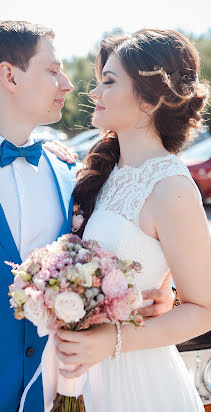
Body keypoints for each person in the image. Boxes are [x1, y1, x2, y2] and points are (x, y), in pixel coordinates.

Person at [0, 21, 174, 412]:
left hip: (59, 389)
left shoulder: (72, 172)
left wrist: (162, 290)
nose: (67, 84)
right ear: (9, 76)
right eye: (52, 70)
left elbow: (125, 237)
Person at [55, 29, 211, 411]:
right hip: (84, 377)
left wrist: (112, 340)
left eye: (108, 82)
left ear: (151, 98)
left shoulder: (170, 185)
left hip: (139, 382)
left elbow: (205, 309)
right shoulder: (102, 172)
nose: (94, 93)